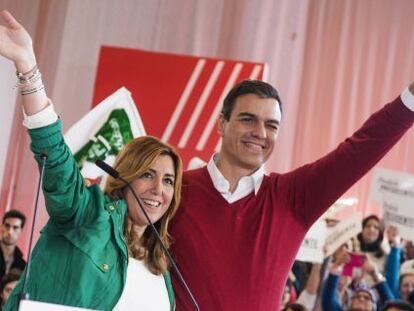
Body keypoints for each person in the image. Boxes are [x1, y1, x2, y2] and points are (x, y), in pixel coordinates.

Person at [169, 47, 414, 310]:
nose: (260, 133)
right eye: (248, 119)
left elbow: (361, 148)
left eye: (271, 125)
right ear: (221, 124)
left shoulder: (294, 197)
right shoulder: (174, 189)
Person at [0, 10, 182, 310]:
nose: (158, 190)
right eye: (147, 175)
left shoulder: (162, 266)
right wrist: (28, 67)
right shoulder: (87, 214)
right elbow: (56, 158)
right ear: (124, 176)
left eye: (168, 180)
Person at [0, 210, 26, 281]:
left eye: (15, 227)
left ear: (20, 231)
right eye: (7, 226)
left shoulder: (22, 265)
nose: (10, 232)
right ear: (2, 227)